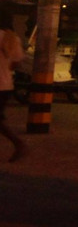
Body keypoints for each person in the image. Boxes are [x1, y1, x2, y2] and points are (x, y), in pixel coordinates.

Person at [0, 9, 29, 162]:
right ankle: (19, 144)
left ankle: (19, 143)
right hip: (6, 85)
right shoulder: (12, 38)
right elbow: (16, 63)